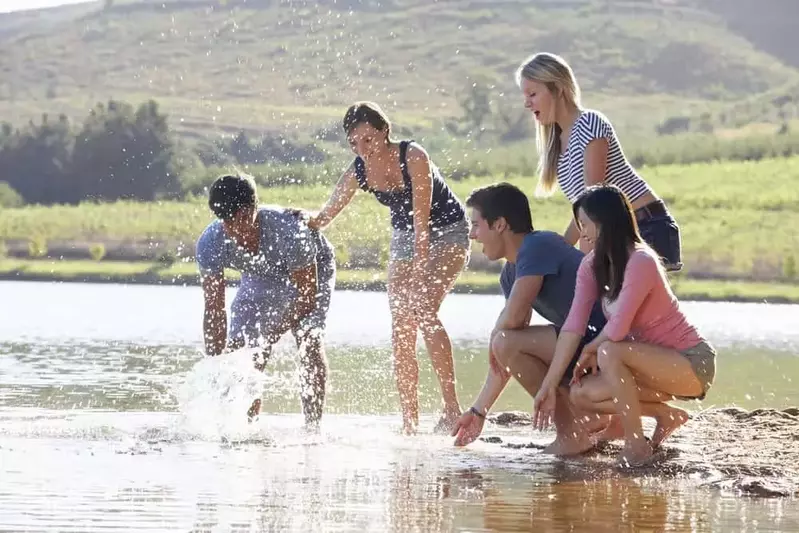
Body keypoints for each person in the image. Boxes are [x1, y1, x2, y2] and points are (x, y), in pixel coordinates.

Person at [304, 101, 470, 435]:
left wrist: (421, 271)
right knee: (401, 328)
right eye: (354, 143)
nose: (362, 149)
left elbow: (422, 222)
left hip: (447, 230)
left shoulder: (414, 156)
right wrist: (308, 222)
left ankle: (452, 409)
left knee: (422, 308)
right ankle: (410, 423)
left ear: (384, 132)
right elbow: (330, 209)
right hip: (405, 236)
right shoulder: (360, 170)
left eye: (368, 139)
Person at [533, 184, 717, 468]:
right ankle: (665, 415)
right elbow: (573, 325)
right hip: (647, 370)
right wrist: (548, 384)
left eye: (585, 223)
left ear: (605, 222)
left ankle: (636, 445)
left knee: (609, 351)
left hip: (690, 363)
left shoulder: (641, 260)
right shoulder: (591, 266)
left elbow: (617, 330)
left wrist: (590, 351)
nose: (582, 232)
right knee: (581, 394)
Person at [450, 182, 608, 455]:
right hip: (581, 347)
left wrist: (494, 342)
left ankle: (572, 434)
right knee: (507, 343)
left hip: (607, 343)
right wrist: (478, 412)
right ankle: (586, 422)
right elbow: (509, 352)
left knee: (504, 342)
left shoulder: (538, 245)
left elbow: (508, 327)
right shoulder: (510, 274)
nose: (472, 235)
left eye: (476, 225)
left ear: (499, 224)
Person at [515, 52, 683, 271]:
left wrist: (563, 251)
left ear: (558, 89)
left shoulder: (589, 123)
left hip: (646, 228)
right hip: (613, 235)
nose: (527, 103)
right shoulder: (557, 142)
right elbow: (588, 219)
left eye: (533, 94)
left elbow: (592, 204)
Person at [195, 173, 336, 428]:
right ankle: (247, 428)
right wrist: (216, 362)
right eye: (224, 220)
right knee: (242, 350)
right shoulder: (211, 242)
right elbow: (214, 309)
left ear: (251, 210)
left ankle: (312, 429)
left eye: (237, 219)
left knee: (308, 339)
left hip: (311, 270)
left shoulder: (291, 232)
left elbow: (306, 299)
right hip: (260, 273)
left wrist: (273, 334)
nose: (231, 229)